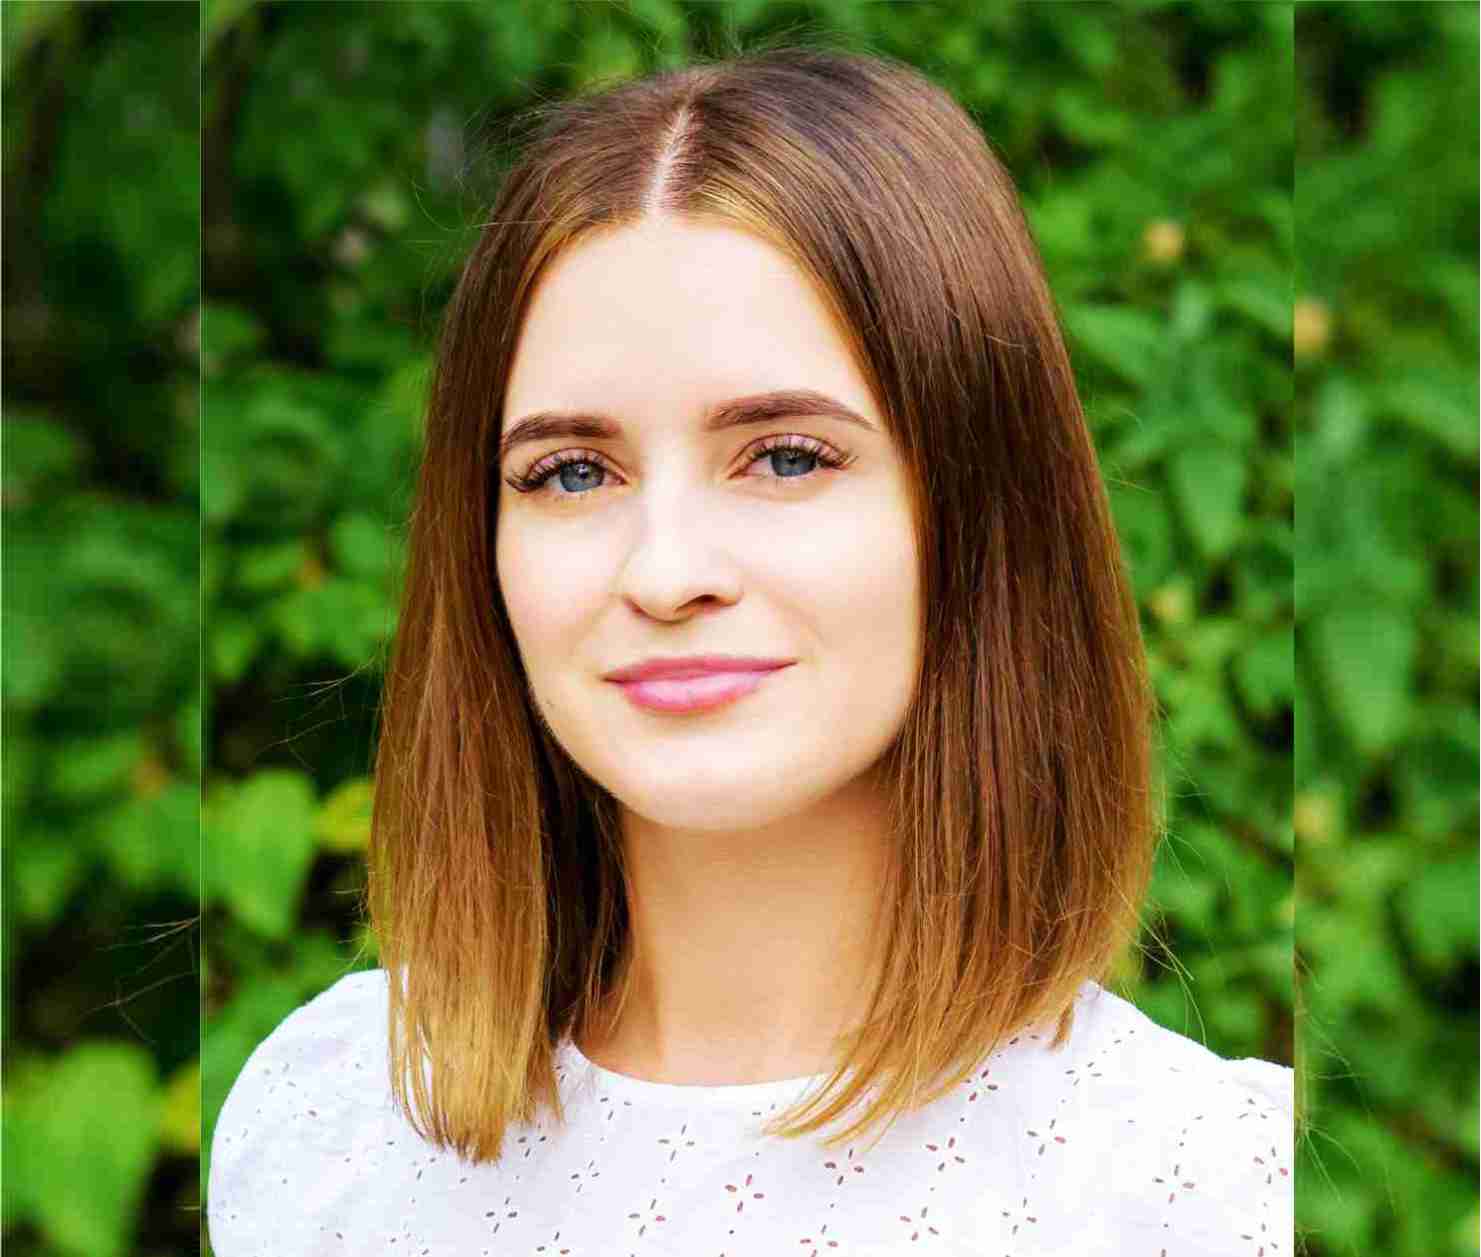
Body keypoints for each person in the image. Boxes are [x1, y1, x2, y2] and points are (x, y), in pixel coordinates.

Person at [207, 42, 1295, 1256]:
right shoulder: (326, 1129)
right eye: (571, 473)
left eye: (784, 457)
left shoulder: (1200, 1192)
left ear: (982, 512)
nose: (665, 571)